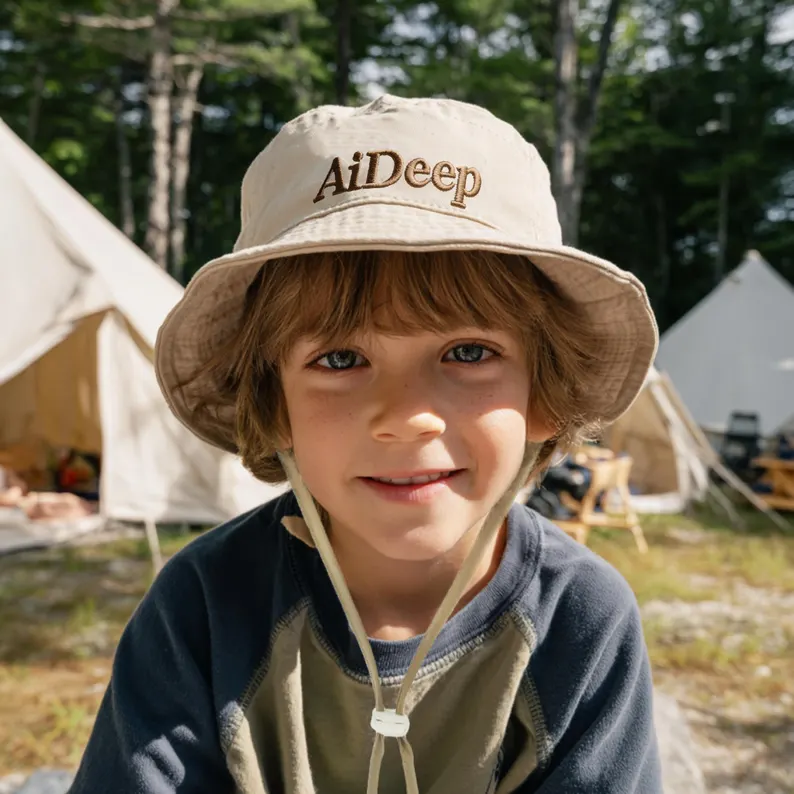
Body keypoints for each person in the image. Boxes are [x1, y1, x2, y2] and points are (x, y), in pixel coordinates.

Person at [68, 95, 662, 793]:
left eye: (469, 352)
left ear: (543, 393)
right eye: (341, 359)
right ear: (274, 404)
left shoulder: (580, 621)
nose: (408, 417)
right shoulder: (203, 608)